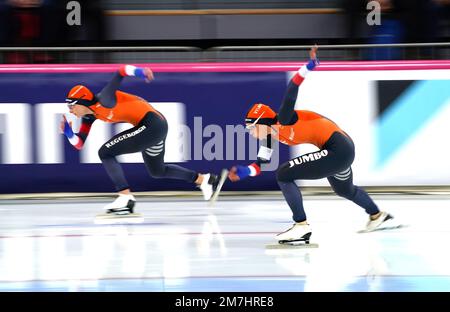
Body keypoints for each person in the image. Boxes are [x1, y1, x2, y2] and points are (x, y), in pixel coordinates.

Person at [228, 46, 394, 244]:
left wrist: (309, 66)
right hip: (340, 150)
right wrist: (244, 172)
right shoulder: (270, 137)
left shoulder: (284, 119)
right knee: (344, 190)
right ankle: (377, 216)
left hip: (338, 148)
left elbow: (291, 90)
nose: (251, 133)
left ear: (261, 122)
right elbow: (260, 164)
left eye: (251, 128)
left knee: (284, 173)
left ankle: (301, 226)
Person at [61, 65, 221, 215]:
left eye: (71, 106)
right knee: (158, 171)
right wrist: (69, 134)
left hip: (152, 124)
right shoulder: (89, 117)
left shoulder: (105, 99)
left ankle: (125, 197)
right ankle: (205, 179)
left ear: (82, 101)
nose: (70, 110)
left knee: (105, 152)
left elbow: (121, 71)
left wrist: (140, 72)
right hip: (154, 127)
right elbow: (79, 144)